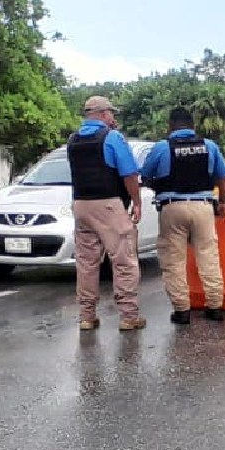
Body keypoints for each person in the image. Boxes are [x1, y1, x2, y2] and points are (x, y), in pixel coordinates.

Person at [140, 108, 225, 324]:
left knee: (173, 260)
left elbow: (145, 176)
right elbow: (224, 176)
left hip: (172, 207)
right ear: (193, 126)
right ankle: (215, 306)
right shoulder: (209, 146)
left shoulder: (161, 148)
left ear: (170, 126)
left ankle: (182, 311)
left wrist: (159, 189)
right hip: (203, 206)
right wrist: (223, 203)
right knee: (208, 256)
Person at [67, 96, 145, 331]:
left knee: (87, 264)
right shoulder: (112, 138)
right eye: (112, 113)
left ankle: (87, 316)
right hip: (108, 205)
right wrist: (136, 202)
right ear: (102, 114)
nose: (114, 118)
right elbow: (129, 174)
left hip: (81, 205)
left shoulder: (73, 140)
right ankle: (129, 316)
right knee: (124, 260)